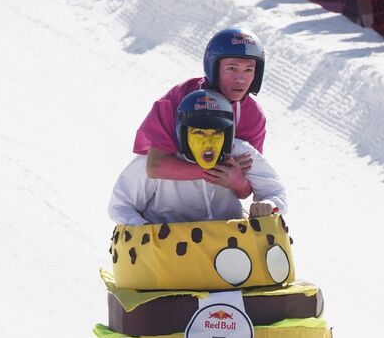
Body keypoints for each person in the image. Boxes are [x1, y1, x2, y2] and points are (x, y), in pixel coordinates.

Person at [110, 90, 287, 225]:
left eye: (217, 133)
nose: (208, 142)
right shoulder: (161, 157)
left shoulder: (239, 152)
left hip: (229, 253)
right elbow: (120, 204)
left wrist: (267, 206)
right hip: (167, 256)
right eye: (199, 133)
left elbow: (275, 191)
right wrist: (147, 231)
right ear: (183, 133)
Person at [133, 28, 268, 185]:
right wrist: (221, 170)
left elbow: (250, 184)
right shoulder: (178, 97)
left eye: (248, 70)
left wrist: (237, 181)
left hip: (218, 204)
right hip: (166, 198)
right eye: (232, 68)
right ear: (213, 67)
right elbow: (155, 167)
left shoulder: (253, 116)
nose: (241, 80)